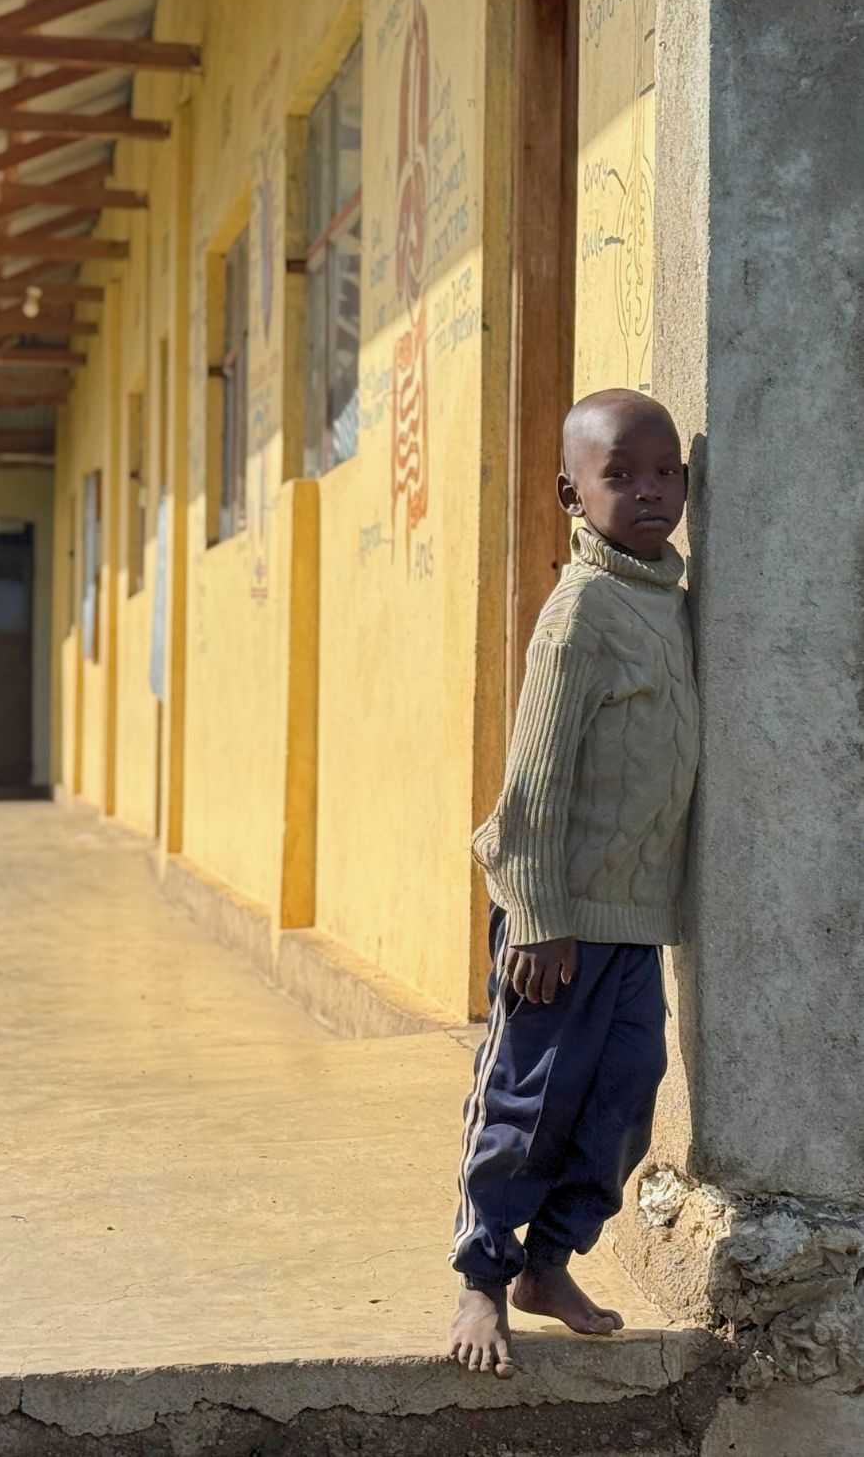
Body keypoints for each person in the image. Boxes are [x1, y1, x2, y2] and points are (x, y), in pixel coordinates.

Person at [448, 388, 699, 1376]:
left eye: (665, 472)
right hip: (555, 921)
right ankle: (481, 1278)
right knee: (528, 1101)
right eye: (620, 476)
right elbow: (537, 782)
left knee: (625, 1099)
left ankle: (546, 1265)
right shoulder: (581, 612)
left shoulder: (666, 602)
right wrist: (538, 915)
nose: (649, 492)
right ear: (570, 493)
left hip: (630, 920)